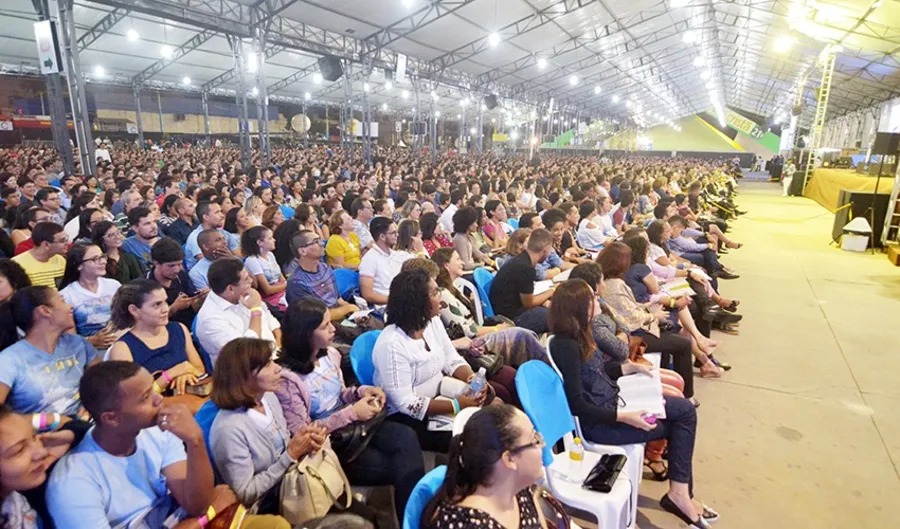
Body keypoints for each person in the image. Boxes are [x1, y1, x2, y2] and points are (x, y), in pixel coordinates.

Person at [547, 280, 717, 528]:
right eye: (591, 299)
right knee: (681, 420)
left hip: (613, 405)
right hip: (601, 425)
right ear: (579, 307)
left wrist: (628, 368)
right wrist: (625, 416)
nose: (597, 300)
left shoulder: (582, 334)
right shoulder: (566, 346)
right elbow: (577, 405)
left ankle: (681, 495)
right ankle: (680, 496)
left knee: (684, 411)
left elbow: (596, 373)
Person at [45, 361, 275, 528]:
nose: (159, 399)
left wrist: (195, 441)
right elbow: (202, 511)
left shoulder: (156, 431)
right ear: (111, 418)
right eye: (145, 397)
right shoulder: (72, 482)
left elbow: (195, 503)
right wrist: (203, 518)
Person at [274, 298, 425, 521]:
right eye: (325, 326)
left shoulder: (329, 355)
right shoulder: (288, 380)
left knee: (407, 437)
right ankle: (414, 519)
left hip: (356, 426)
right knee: (399, 467)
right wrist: (352, 412)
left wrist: (362, 392)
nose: (333, 329)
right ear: (305, 334)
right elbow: (303, 434)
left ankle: (415, 519)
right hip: (331, 445)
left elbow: (341, 393)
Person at [372, 268, 490, 453]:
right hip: (409, 418)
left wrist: (471, 379)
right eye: (435, 292)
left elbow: (450, 356)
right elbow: (405, 403)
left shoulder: (431, 321)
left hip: (442, 395)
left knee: (493, 401)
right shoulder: (392, 344)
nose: (441, 297)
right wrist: (456, 405)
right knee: (477, 435)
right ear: (418, 302)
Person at [209, 337, 328, 509]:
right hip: (267, 505)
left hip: (293, 482)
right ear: (243, 376)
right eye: (266, 365)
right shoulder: (228, 430)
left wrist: (306, 440)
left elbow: (286, 444)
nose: (278, 368)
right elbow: (245, 493)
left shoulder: (268, 397)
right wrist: (290, 455)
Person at [421, 405, 548, 529]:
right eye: (535, 440)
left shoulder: (520, 489)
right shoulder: (466, 524)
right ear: (509, 459)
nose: (543, 444)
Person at [432, 248, 546, 368]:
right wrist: (495, 329)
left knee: (524, 335)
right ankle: (546, 362)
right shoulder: (444, 294)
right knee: (521, 335)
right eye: (458, 259)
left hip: (479, 333)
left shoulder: (453, 288)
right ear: (446, 265)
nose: (462, 263)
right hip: (474, 343)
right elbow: (468, 330)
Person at [0, 286, 100, 416]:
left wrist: (93, 405)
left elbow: (104, 383)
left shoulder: (78, 343)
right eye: (63, 301)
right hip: (42, 428)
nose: (70, 307)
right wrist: (49, 421)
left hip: (87, 424)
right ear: (45, 311)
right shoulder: (9, 360)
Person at [108, 280, 206, 395]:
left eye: (165, 302)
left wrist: (187, 375)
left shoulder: (179, 329)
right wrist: (169, 375)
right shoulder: (122, 348)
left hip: (187, 397)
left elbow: (199, 371)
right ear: (134, 310)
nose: (165, 309)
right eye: (157, 305)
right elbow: (133, 397)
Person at [195, 258, 281, 363]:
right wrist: (255, 311)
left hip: (274, 355)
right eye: (246, 279)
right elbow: (247, 351)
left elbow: (268, 317)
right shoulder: (209, 319)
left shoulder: (244, 293)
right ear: (231, 289)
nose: (251, 281)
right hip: (247, 368)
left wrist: (279, 341)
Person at [489, 228, 556, 335]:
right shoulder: (525, 268)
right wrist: (552, 290)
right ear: (545, 250)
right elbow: (529, 303)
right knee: (559, 316)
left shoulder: (521, 260)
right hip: (511, 318)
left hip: (508, 309)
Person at [286, 230, 358, 321]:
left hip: (340, 317)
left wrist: (355, 311)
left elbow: (337, 299)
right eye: (316, 241)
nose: (322, 244)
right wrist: (347, 309)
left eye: (320, 240)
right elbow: (315, 317)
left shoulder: (325, 268)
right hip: (322, 325)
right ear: (303, 251)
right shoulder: (297, 283)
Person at [58, 243, 121, 349]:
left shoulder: (114, 285)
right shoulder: (67, 295)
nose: (103, 261)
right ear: (79, 265)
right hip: (87, 349)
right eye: (95, 259)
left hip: (119, 343)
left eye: (103, 256)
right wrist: (91, 341)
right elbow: (67, 337)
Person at [147, 237, 204, 328]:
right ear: (156, 263)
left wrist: (200, 299)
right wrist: (174, 308)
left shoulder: (182, 276)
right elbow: (147, 321)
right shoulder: (144, 286)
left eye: (179, 264)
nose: (176, 269)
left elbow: (193, 304)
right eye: (171, 266)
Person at [358, 217, 408, 306]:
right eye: (393, 233)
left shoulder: (396, 255)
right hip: (385, 307)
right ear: (382, 236)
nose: (397, 235)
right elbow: (368, 295)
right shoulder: (369, 259)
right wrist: (395, 300)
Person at [242, 225, 287, 310]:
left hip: (281, 292)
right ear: (260, 242)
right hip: (268, 299)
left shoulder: (270, 255)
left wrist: (285, 285)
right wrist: (286, 285)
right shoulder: (252, 260)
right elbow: (267, 290)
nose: (274, 240)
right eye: (270, 238)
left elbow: (282, 279)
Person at [12, 223, 67, 289]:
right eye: (62, 241)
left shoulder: (60, 260)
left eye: (66, 239)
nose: (67, 243)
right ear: (46, 244)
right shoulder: (17, 264)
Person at [91, 220, 143, 284]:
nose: (117, 237)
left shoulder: (129, 258)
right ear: (102, 240)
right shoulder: (99, 261)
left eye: (118, 232)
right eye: (111, 235)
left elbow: (139, 281)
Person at [452, 206, 494, 271]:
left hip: (473, 268)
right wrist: (481, 265)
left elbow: (478, 254)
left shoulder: (468, 236)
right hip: (467, 272)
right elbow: (466, 265)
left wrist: (493, 263)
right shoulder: (460, 239)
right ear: (468, 224)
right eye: (474, 222)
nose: (476, 225)